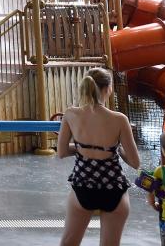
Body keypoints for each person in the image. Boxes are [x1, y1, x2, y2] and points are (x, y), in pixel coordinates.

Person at [57, 67, 141, 246]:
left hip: (83, 185)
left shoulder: (71, 114)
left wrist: (81, 148)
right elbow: (135, 162)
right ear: (108, 88)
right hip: (113, 188)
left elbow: (62, 152)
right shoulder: (119, 119)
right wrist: (115, 150)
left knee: (68, 242)